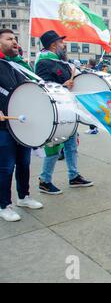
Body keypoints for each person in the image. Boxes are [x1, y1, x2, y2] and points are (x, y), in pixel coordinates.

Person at [35, 30, 93, 194]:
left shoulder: (61, 62)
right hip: (55, 114)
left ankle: (73, 176)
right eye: (61, 42)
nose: (64, 45)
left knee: (71, 146)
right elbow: (42, 87)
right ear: (54, 45)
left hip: (68, 111)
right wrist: (63, 86)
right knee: (53, 148)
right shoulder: (43, 63)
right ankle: (44, 181)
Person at [0, 29, 43, 222]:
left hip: (21, 124)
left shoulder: (17, 66)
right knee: (6, 167)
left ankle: (23, 196)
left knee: (24, 164)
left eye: (16, 39)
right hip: (3, 128)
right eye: (9, 39)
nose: (15, 42)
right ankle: (4, 205)